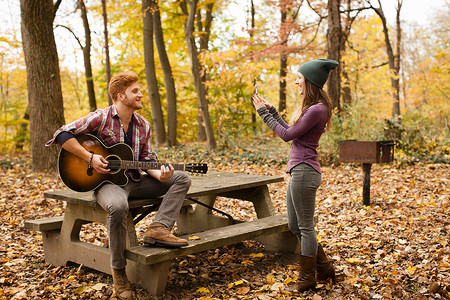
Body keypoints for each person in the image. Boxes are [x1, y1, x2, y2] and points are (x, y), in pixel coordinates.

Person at [46, 71, 191, 300]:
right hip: (105, 183)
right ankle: (119, 272)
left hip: (135, 180)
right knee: (118, 206)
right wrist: (89, 157)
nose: (141, 94)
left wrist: (160, 175)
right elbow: (61, 134)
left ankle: (158, 228)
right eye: (135, 91)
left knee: (182, 178)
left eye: (140, 90)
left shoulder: (143, 125)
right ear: (121, 96)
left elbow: (147, 161)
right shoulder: (101, 118)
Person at [252, 59, 338, 292]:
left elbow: (286, 136)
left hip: (304, 171)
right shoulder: (312, 108)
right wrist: (271, 111)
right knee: (295, 225)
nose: (296, 81)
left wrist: (263, 114)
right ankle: (325, 267)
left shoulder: (317, 109)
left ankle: (307, 278)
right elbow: (291, 131)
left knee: (306, 227)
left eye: (299, 78)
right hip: (298, 171)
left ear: (309, 81)